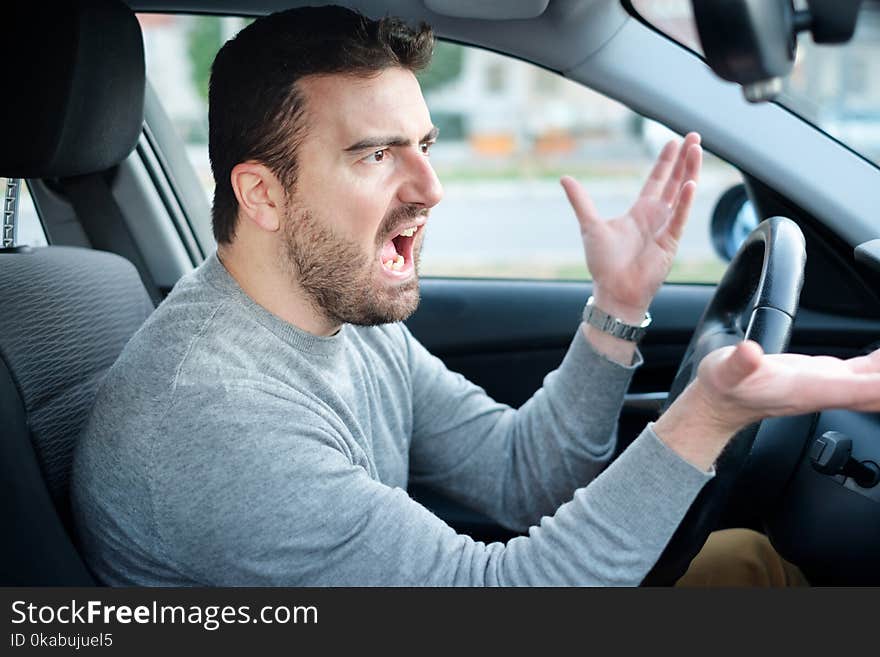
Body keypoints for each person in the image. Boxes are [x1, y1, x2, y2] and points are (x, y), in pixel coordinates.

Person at [72, 5, 880, 586]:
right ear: (263, 195)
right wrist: (707, 416)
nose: (432, 187)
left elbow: (519, 474)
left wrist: (616, 307)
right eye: (375, 155)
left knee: (747, 560)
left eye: (423, 144)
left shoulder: (343, 308)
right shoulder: (216, 422)